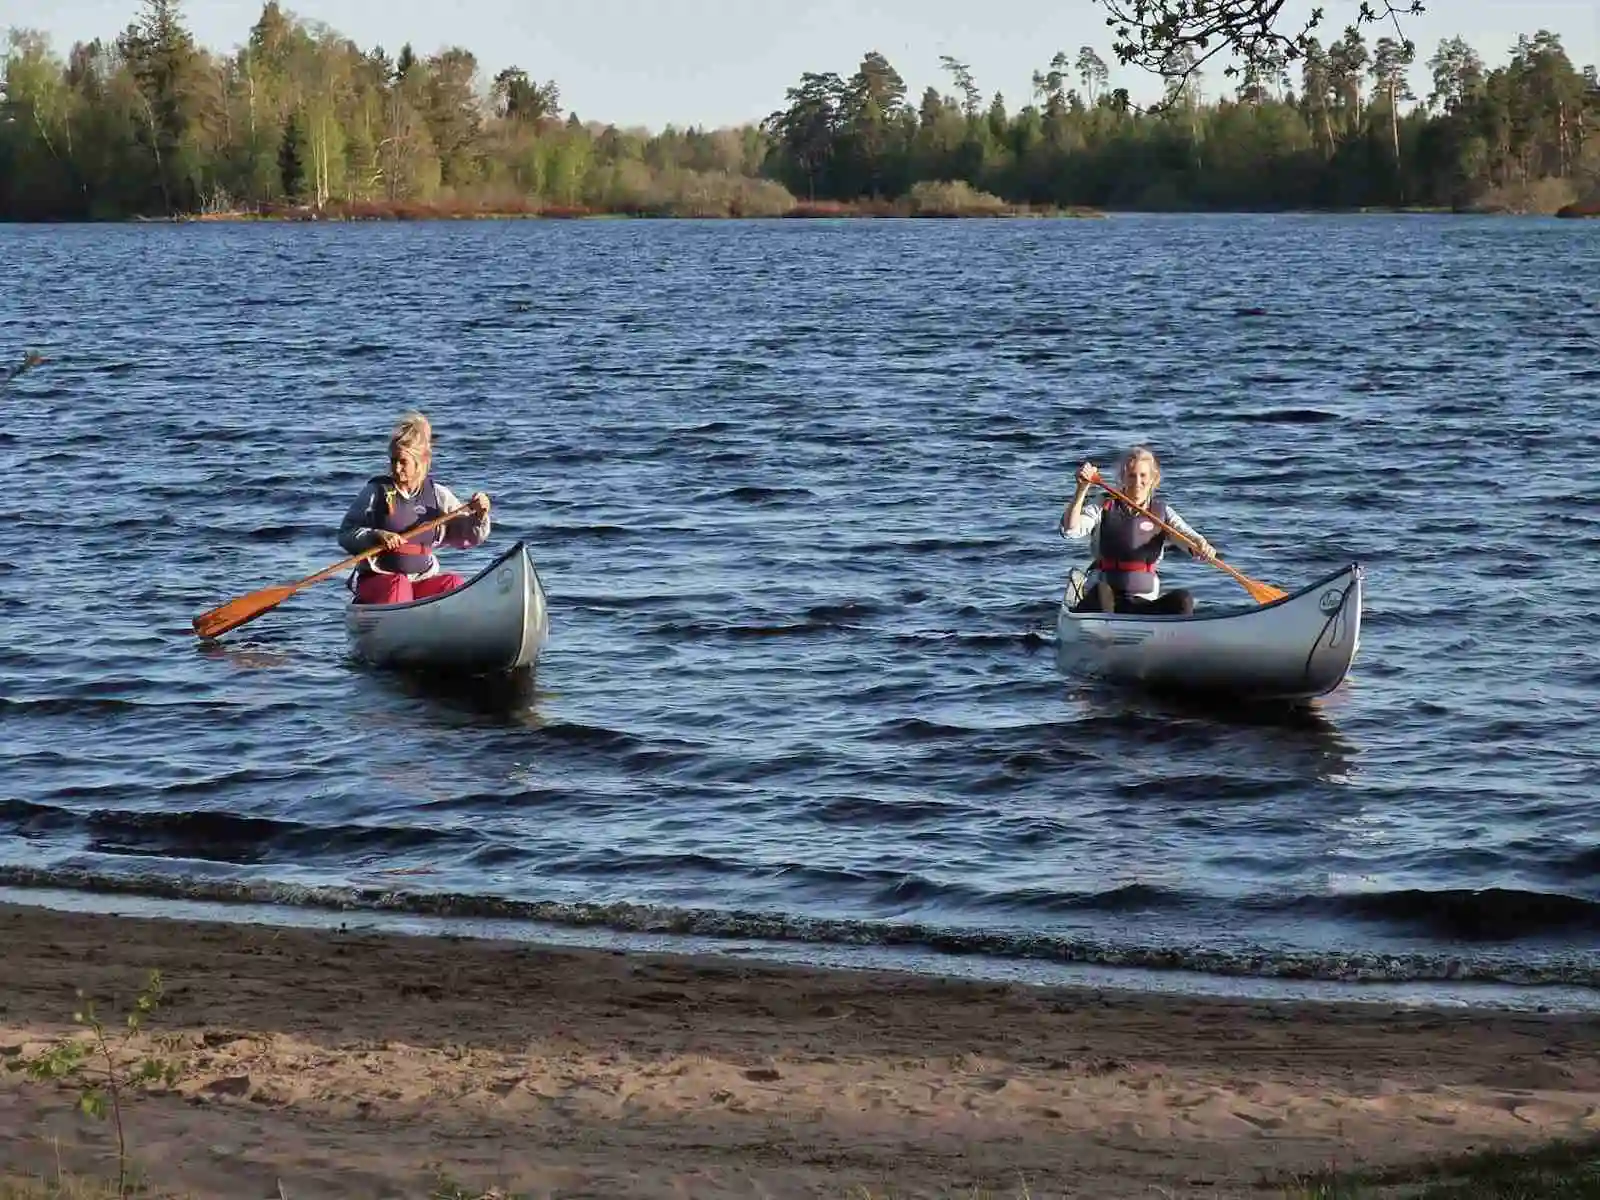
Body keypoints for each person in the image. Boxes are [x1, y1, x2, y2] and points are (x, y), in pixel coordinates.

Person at [338, 411, 492, 605]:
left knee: (453, 583)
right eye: (393, 461)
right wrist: (376, 535)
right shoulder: (375, 492)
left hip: (419, 582)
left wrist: (480, 515)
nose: (396, 468)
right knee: (398, 585)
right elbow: (345, 534)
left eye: (403, 462)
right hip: (378, 582)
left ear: (419, 462)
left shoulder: (437, 495)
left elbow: (469, 536)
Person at [1059, 445, 1216, 616]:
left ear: (1154, 478)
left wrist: (1201, 545)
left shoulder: (1162, 512)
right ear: (1122, 478)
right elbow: (1070, 529)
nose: (1137, 482)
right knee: (1102, 593)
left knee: (1183, 599)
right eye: (1131, 475)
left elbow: (1187, 537)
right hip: (1104, 600)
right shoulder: (1103, 505)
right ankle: (1103, 629)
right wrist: (1082, 489)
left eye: (1143, 475)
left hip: (1143, 601)